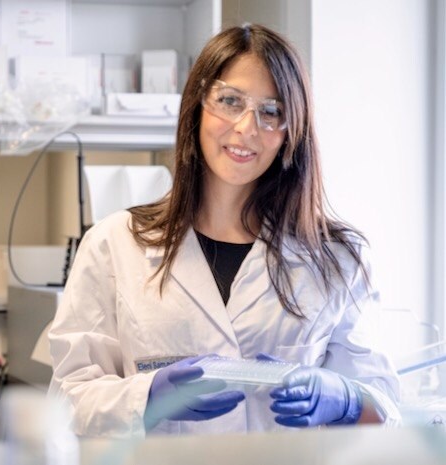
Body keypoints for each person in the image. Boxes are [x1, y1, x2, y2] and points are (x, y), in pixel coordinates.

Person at [48, 23, 400, 437]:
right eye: (230, 101)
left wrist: (344, 399)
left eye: (272, 112)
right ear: (197, 105)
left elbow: (387, 409)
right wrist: (146, 398)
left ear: (292, 132)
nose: (247, 128)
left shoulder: (336, 258)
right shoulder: (114, 244)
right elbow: (67, 401)